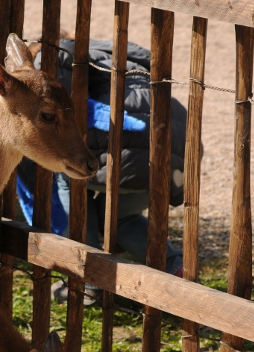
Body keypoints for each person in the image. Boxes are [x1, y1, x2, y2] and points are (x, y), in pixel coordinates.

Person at [16, 37, 189, 304]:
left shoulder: (51, 59)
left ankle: (86, 279)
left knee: (70, 177)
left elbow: (59, 108)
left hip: (128, 144)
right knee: (116, 216)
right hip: (171, 151)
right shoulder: (109, 54)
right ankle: (173, 267)